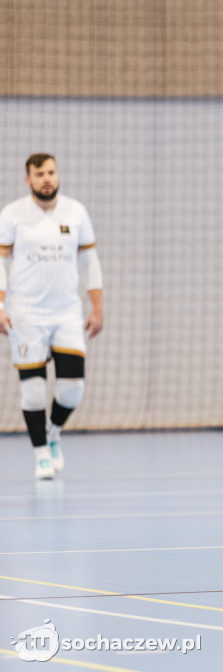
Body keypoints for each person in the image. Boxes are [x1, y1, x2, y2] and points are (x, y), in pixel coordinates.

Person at [0, 154, 104, 480]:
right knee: (32, 391)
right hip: (26, 314)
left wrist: (97, 307)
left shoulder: (75, 212)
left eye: (51, 172)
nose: (47, 178)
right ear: (28, 179)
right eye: (39, 173)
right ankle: (41, 454)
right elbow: (1, 263)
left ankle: (54, 432)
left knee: (74, 387)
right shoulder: (13, 215)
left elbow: (89, 260)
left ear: (57, 175)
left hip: (66, 313)